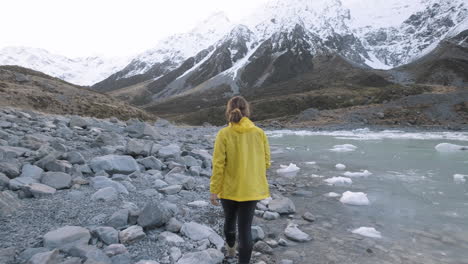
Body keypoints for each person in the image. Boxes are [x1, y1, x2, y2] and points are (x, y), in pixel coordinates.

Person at [209, 96, 271, 264]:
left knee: (229, 221)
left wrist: (214, 190)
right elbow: (266, 161)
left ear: (228, 111)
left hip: (229, 189)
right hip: (251, 190)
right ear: (247, 111)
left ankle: (230, 252)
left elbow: (218, 165)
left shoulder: (224, 134)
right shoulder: (259, 133)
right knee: (245, 230)